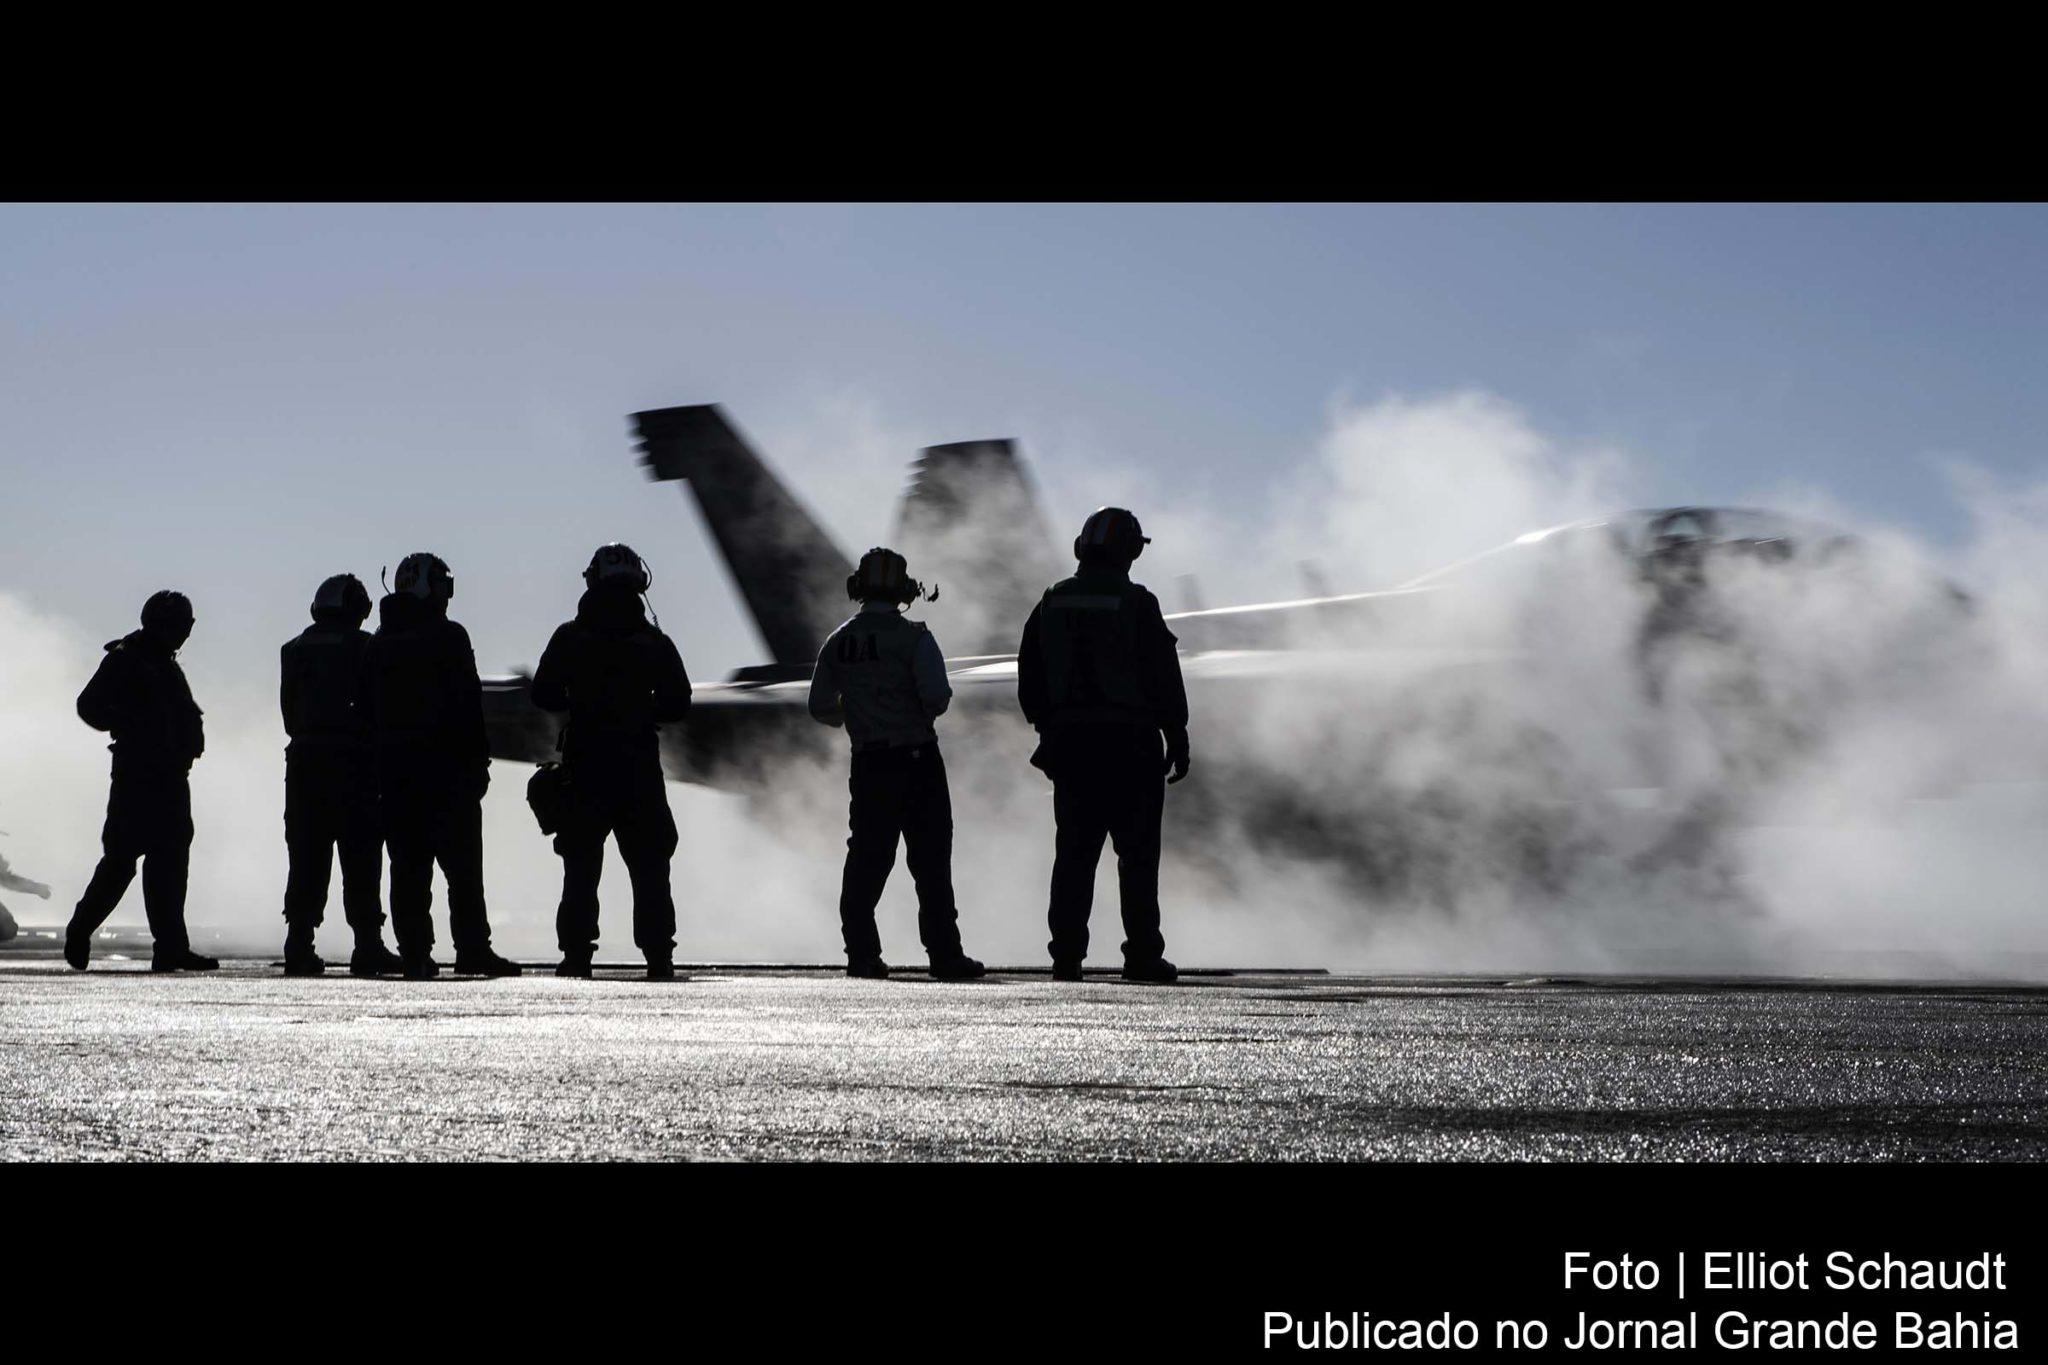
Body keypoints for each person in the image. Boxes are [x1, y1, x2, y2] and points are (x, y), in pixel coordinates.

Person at [1017, 508, 1190, 983]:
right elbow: (1162, 675)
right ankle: (1141, 956)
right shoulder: (1137, 602)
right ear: (1129, 551)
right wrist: (1177, 735)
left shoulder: (1052, 601)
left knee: (1074, 854)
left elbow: (1029, 673)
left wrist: (1048, 729)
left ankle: (1067, 956)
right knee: (1137, 858)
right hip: (1131, 746)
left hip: (1072, 747)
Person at [808, 548, 984, 981]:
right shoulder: (916, 637)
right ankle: (945, 956)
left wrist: (857, 716)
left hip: (869, 763)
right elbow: (937, 697)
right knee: (930, 863)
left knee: (867, 860)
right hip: (918, 760)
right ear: (903, 589)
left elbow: (819, 706)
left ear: (858, 588)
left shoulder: (838, 642)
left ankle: (862, 955)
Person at [530, 544, 692, 980]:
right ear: (639, 583)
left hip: (586, 764)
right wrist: (640, 710)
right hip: (638, 766)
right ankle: (659, 957)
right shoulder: (653, 641)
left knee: (581, 866)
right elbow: (678, 703)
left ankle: (577, 956)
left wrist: (581, 705)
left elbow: (542, 693)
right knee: (650, 867)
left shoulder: (570, 636)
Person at [360, 553, 521, 979]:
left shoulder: (376, 645)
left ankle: (415, 954)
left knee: (408, 870)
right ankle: (472, 949)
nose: (447, 596)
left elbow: (366, 713)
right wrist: (478, 762)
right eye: (443, 585)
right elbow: (467, 704)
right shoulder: (448, 637)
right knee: (463, 871)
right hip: (447, 774)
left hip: (395, 776)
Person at [65, 591, 217, 972]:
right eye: (180, 626)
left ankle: (170, 948)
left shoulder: (164, 664)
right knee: (121, 861)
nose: (183, 634)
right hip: (137, 777)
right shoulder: (126, 659)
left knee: (169, 864)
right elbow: (89, 706)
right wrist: (130, 724)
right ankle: (81, 928)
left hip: (170, 778)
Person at [279, 573, 405, 977]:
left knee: (306, 855)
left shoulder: (293, 650)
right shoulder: (368, 647)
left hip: (304, 762)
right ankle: (367, 946)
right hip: (355, 763)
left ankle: (299, 942)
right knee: (361, 854)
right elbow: (382, 707)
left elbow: (288, 715)